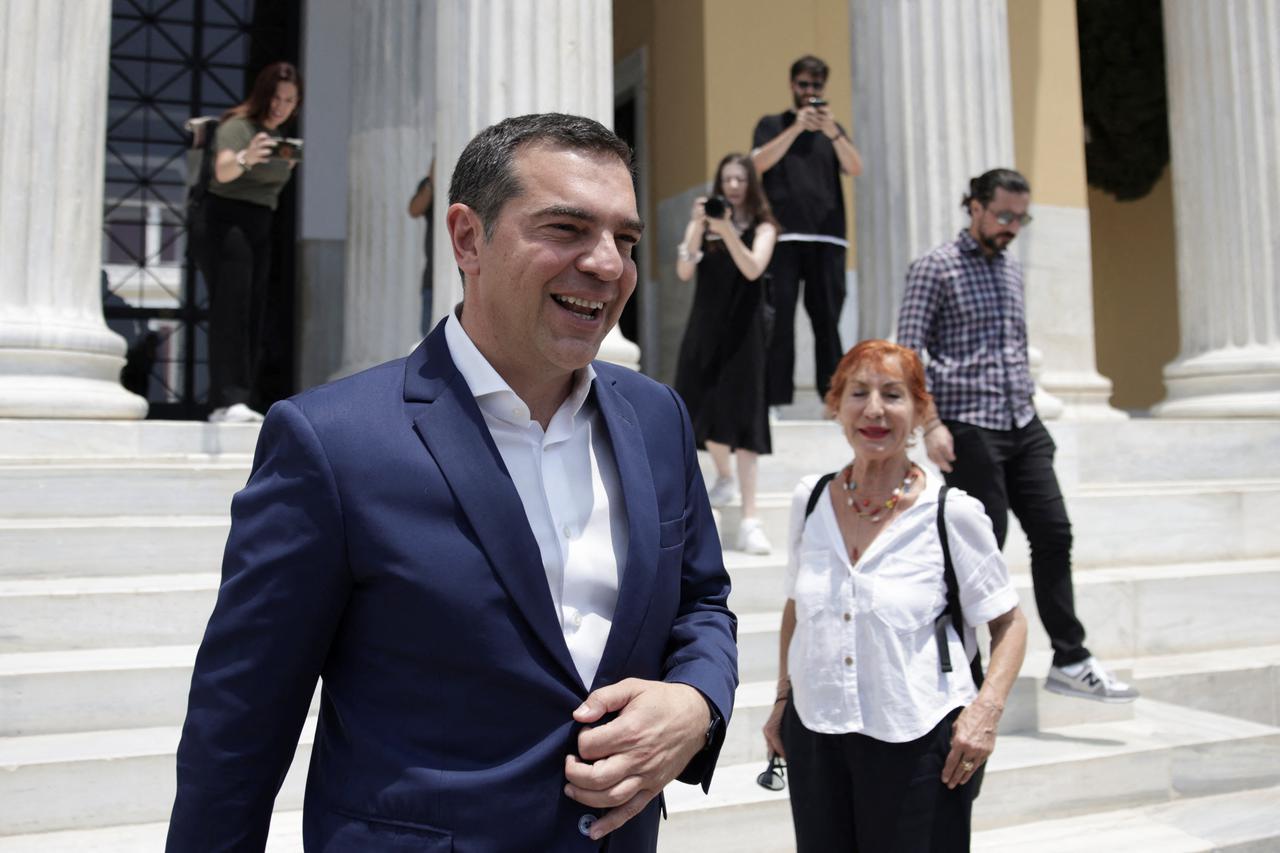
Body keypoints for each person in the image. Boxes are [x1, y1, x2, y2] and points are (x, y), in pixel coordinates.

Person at [166, 113, 738, 852]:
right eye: (566, 228)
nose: (607, 264)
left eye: (625, 239)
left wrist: (697, 701)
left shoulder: (656, 417)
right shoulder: (333, 443)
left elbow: (702, 602)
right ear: (468, 238)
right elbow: (238, 729)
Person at [761, 340, 1027, 852]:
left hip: (921, 738)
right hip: (816, 732)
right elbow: (798, 608)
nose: (875, 410)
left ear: (921, 411)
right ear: (835, 406)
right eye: (858, 393)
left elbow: (1009, 624)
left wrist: (985, 712)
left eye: (893, 394)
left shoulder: (953, 512)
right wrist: (781, 702)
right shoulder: (810, 500)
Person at [897, 168, 1139, 703]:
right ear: (975, 207)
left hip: (1021, 422)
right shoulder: (935, 268)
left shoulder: (1010, 269)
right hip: (967, 425)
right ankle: (962, 663)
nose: (1012, 227)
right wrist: (930, 425)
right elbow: (909, 357)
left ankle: (1071, 658)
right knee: (984, 548)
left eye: (1021, 218)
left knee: (1055, 533)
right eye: (1004, 215)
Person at [673, 153, 779, 555]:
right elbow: (684, 271)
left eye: (740, 178)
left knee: (746, 420)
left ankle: (751, 519)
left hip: (744, 333)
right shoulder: (706, 223)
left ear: (751, 184)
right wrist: (699, 228)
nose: (733, 185)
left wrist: (728, 230)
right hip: (704, 327)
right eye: (727, 179)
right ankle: (723, 475)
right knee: (697, 405)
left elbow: (753, 268)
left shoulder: (764, 226)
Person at [751, 55, 863, 408]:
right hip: (783, 238)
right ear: (792, 85)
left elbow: (855, 167)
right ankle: (775, 404)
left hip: (828, 238)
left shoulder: (834, 131)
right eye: (804, 85)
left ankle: (833, 402)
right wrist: (797, 127)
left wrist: (832, 131)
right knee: (779, 322)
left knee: (827, 323)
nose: (809, 92)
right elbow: (756, 164)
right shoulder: (773, 124)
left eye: (816, 87)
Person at [196, 61, 302, 423]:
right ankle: (226, 400)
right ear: (263, 95)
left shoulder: (282, 142)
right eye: (276, 96)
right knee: (232, 308)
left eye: (289, 99)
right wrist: (246, 157)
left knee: (254, 309)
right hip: (227, 221)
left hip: (260, 223)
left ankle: (239, 396)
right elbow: (222, 170)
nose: (281, 105)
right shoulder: (238, 127)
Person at [408, 157, 436, 335]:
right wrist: (432, 182)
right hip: (431, 281)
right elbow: (414, 210)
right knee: (427, 338)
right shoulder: (428, 186)